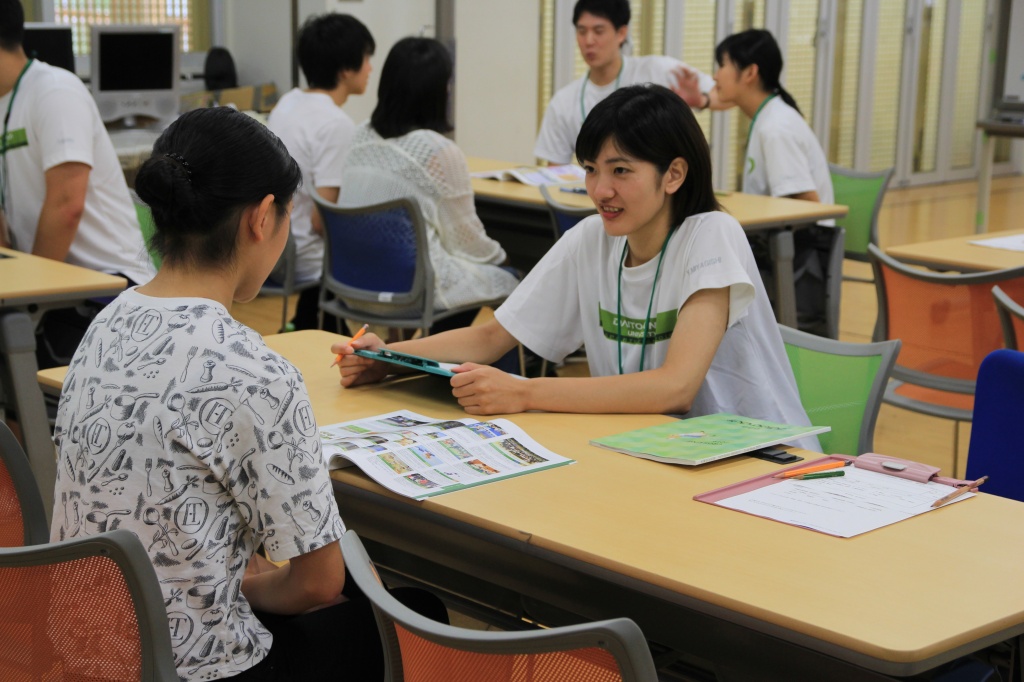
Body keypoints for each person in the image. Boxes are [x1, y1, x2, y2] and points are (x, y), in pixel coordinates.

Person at [50, 106, 443, 680]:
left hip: (89, 653)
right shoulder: (254, 369)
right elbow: (317, 584)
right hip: (190, 669)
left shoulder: (106, 323)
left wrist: (241, 576)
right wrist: (242, 588)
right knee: (413, 613)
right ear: (263, 218)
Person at [336, 84, 819, 450]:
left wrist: (525, 392)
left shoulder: (710, 235)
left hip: (758, 459)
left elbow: (676, 388)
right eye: (590, 169)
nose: (600, 190)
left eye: (620, 171)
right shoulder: (592, 238)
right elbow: (491, 337)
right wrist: (391, 361)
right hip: (651, 448)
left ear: (674, 174)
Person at [0, 0, 155, 365]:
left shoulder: (55, 91)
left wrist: (25, 292)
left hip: (105, 289)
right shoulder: (5, 103)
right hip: (53, 283)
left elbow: (67, 205)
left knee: (19, 366)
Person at [340, 36, 519, 333]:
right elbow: (468, 243)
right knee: (512, 279)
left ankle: (423, 359)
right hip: (411, 294)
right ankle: (454, 368)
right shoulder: (436, 150)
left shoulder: (360, 135)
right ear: (438, 91)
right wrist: (505, 259)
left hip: (352, 287)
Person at [677, 29, 838, 335]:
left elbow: (807, 207)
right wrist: (700, 101)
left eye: (722, 65)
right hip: (777, 247)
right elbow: (722, 98)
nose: (715, 75)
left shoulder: (775, 128)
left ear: (750, 72)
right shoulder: (768, 113)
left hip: (798, 257)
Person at [267, 13, 375, 331]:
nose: (370, 68)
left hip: (274, 247)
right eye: (367, 58)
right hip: (308, 259)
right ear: (346, 69)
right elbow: (321, 221)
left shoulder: (289, 102)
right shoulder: (336, 124)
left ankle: (301, 324)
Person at [534, 0, 718, 165]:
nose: (588, 41)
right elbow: (554, 175)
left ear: (621, 33)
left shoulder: (657, 70)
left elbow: (727, 94)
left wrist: (702, 100)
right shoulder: (564, 101)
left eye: (598, 31)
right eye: (582, 31)